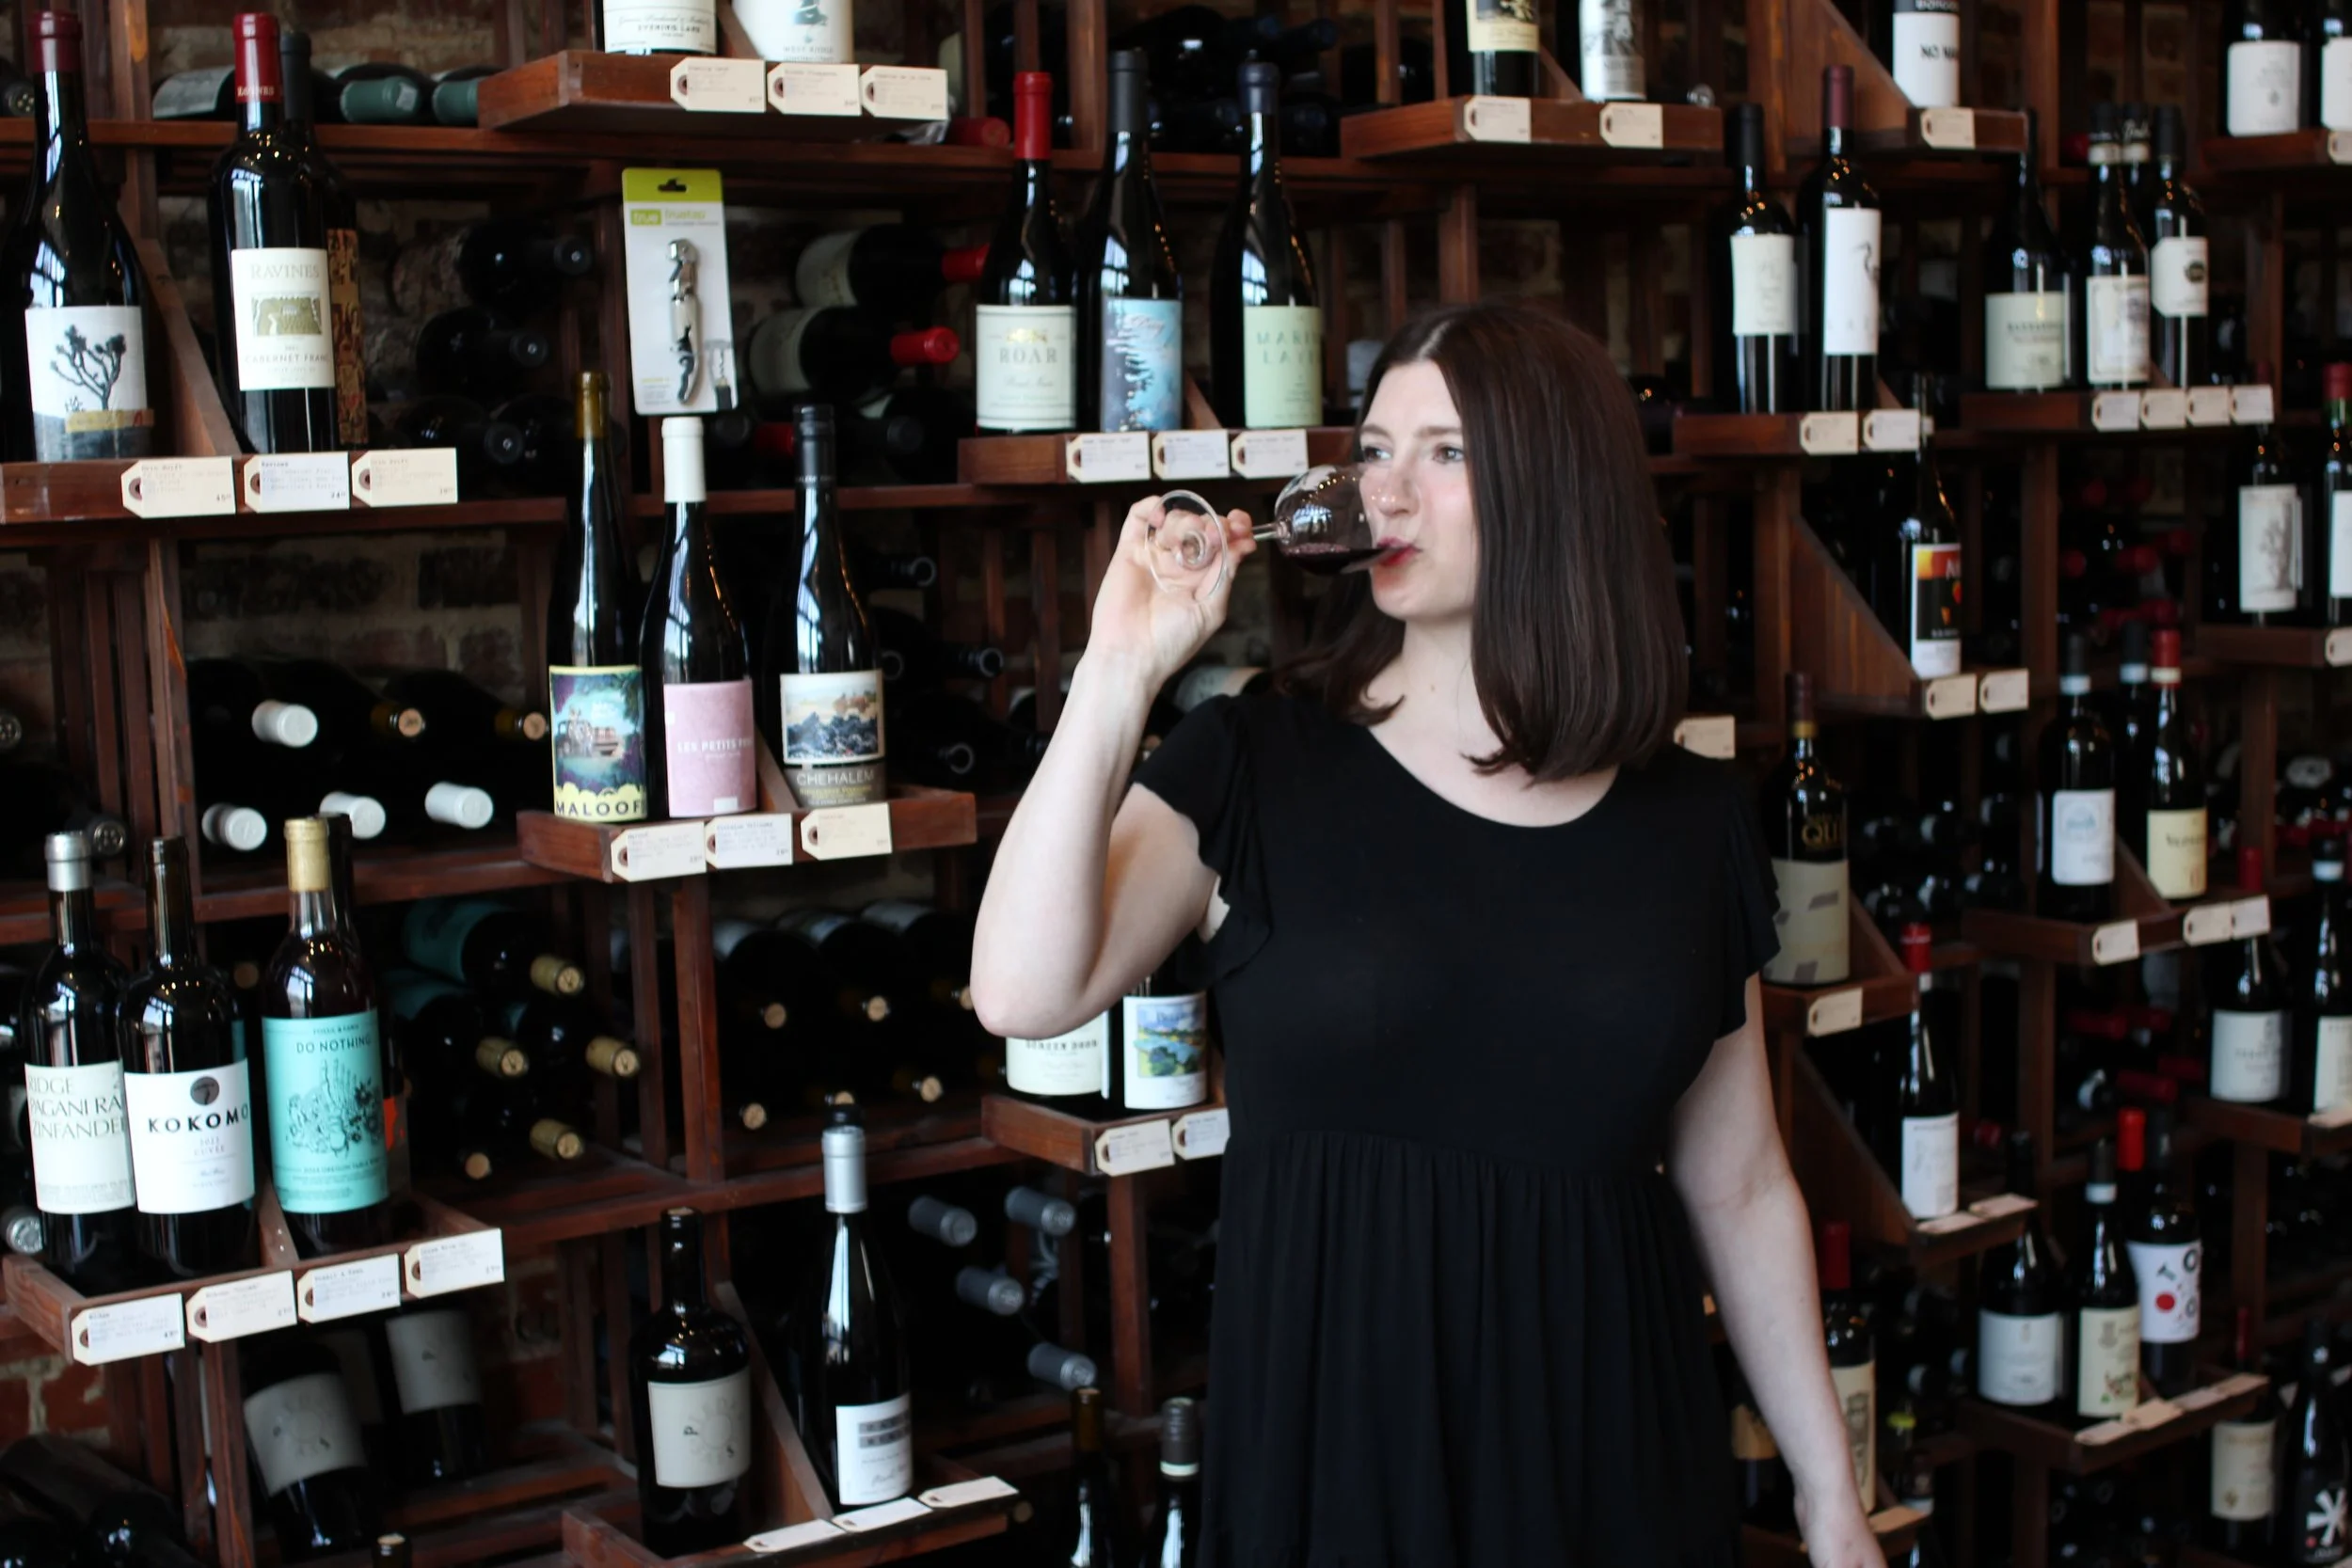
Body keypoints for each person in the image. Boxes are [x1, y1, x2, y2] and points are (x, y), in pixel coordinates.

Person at [971, 301, 1881, 1567]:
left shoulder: (1690, 820)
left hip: (1608, 1466)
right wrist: (1120, 671)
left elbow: (1739, 1181)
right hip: (1334, 1470)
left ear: (1560, 490)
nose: (1385, 490)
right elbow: (1019, 990)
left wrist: (1834, 1503)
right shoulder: (1256, 762)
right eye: (1375, 449)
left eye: (1446, 452)